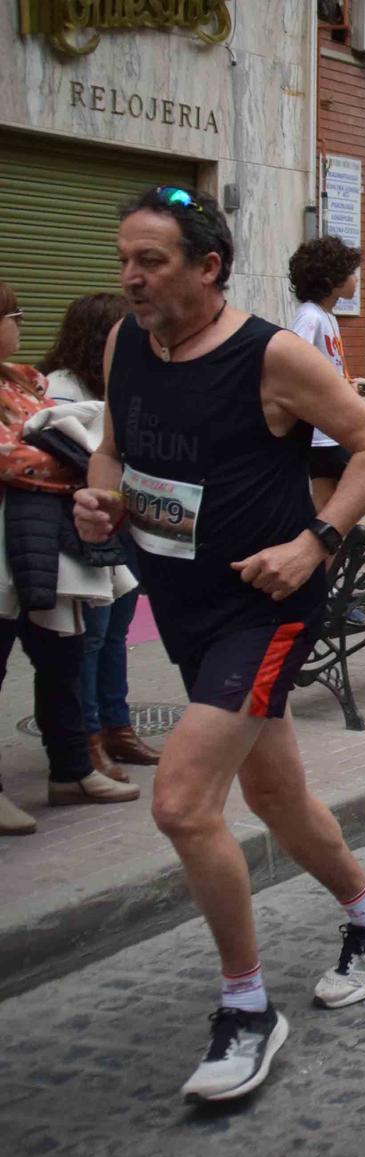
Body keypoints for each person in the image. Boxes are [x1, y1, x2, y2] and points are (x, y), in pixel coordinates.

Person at [73, 187, 365, 1102]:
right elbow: (112, 447)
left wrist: (318, 539)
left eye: (150, 261)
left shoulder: (274, 355)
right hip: (178, 603)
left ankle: (246, 1006)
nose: (131, 278)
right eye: (124, 260)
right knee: (276, 789)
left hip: (263, 610)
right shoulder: (124, 344)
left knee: (184, 803)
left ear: (207, 266)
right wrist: (101, 495)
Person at [0, 281, 142, 834]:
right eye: (15, 314)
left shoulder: (24, 380)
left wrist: (85, 457)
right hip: (9, 548)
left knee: (63, 655)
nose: (20, 324)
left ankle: (71, 770)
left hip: (43, 545)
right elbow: (19, 460)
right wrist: (87, 464)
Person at [41, 292, 161, 782]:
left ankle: (117, 725)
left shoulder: (123, 381)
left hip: (125, 520)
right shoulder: (60, 389)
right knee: (91, 635)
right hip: (81, 526)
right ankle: (86, 737)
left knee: (117, 632)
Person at [285, 235, 365, 513]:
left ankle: (326, 555)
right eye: (351, 274)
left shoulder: (328, 317)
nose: (356, 281)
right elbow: (294, 361)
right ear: (331, 279)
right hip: (322, 434)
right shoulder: (310, 316)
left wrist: (347, 385)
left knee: (326, 504)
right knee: (355, 490)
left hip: (329, 431)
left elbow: (323, 370)